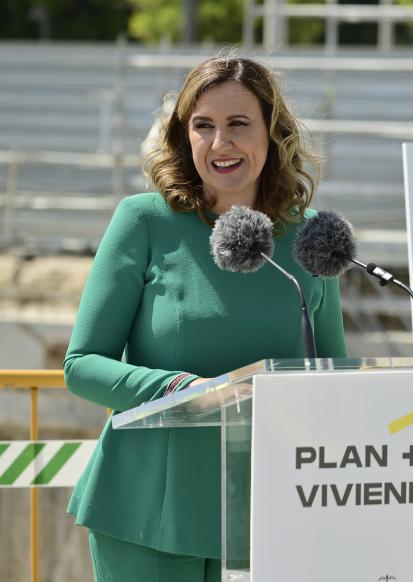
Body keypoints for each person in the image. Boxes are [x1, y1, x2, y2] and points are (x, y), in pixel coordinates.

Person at [64, 55, 347, 582]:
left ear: (273, 132)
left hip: (273, 515)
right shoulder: (143, 221)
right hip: (147, 513)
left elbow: (337, 380)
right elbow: (82, 365)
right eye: (204, 126)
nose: (221, 144)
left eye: (239, 124)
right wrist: (180, 389)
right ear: (183, 137)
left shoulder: (312, 238)